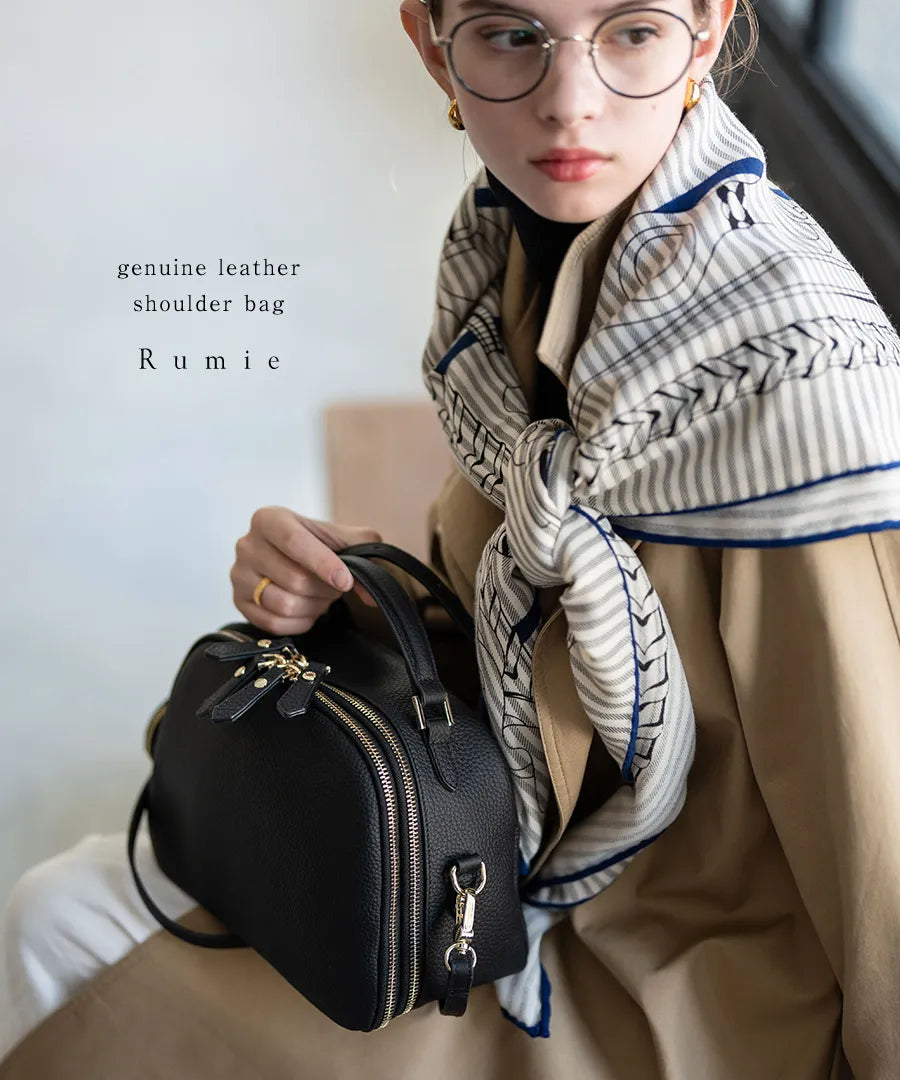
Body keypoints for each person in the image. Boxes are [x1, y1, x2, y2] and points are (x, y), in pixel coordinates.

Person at [2, 0, 900, 1075]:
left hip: (698, 991)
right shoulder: (500, 259)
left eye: (631, 31)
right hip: (496, 879)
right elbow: (498, 648)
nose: (571, 103)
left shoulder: (804, 377)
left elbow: (881, 838)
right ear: (434, 47)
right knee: (62, 910)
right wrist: (345, 594)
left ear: (705, 33)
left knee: (59, 934)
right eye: (513, 35)